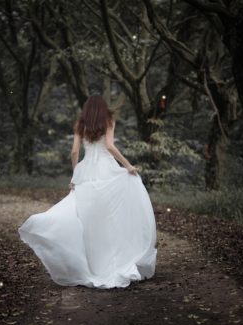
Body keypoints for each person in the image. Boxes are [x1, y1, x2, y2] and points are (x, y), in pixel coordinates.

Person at [18, 95, 157, 289]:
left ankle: (92, 265)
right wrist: (127, 166)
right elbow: (109, 146)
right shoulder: (108, 120)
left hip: (87, 172)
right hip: (106, 170)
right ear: (103, 108)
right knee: (111, 219)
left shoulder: (81, 123)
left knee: (87, 220)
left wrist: (76, 175)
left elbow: (74, 152)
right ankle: (115, 261)